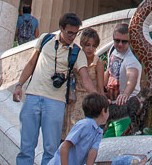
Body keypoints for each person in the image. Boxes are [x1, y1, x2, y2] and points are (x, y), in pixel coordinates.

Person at [12, 13, 99, 165]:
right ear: (61, 28)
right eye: (69, 32)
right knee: (26, 147)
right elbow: (31, 63)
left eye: (75, 33)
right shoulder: (45, 39)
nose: (72, 37)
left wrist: (98, 97)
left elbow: (86, 78)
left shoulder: (77, 52)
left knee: (51, 150)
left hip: (56, 102)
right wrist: (19, 84)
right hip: (33, 95)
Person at [62, 28, 105, 137]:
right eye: (87, 45)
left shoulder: (98, 63)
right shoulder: (74, 57)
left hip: (88, 102)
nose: (91, 49)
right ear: (82, 44)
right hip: (72, 100)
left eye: (94, 46)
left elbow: (100, 88)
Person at [48, 93, 109, 165]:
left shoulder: (98, 131)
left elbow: (92, 152)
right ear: (103, 112)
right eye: (108, 110)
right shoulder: (84, 125)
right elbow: (65, 147)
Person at [104, 24, 142, 116]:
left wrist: (125, 94)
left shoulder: (132, 57)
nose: (120, 44)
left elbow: (132, 77)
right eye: (117, 40)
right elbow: (109, 71)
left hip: (125, 105)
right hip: (110, 104)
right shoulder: (113, 50)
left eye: (124, 41)